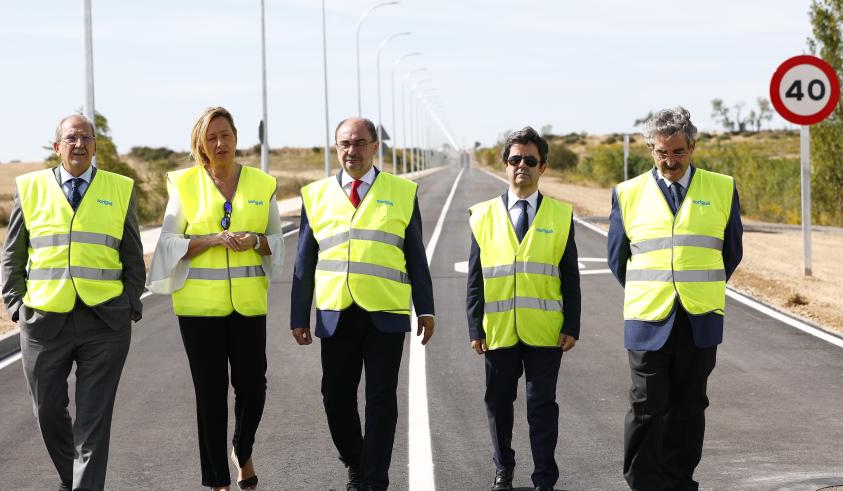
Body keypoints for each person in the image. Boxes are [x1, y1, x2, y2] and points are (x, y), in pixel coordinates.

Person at [0, 114, 145, 491]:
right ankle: (75, 479)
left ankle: (84, 486)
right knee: (48, 411)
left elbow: (133, 256)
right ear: (56, 146)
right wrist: (17, 306)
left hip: (105, 322)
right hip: (43, 321)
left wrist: (130, 302)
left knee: (93, 420)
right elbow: (13, 255)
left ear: (95, 145)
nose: (79, 144)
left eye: (86, 138)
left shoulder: (120, 189)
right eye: (71, 138)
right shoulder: (29, 188)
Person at [290, 117, 435, 491]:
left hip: (385, 314)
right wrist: (298, 315)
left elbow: (415, 256)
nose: (351, 151)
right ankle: (355, 460)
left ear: (375, 147)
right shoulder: (315, 195)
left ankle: (373, 480)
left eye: (358, 143)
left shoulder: (403, 191)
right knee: (335, 396)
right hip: (335, 313)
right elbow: (304, 262)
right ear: (336, 148)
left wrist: (427, 307)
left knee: (381, 398)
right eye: (343, 144)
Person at [147, 106, 283, 491]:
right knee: (209, 393)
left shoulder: (262, 184)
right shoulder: (185, 186)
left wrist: (256, 241)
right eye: (211, 137)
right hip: (198, 310)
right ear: (200, 144)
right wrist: (210, 240)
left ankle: (242, 449)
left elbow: (277, 243)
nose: (220, 143)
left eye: (225, 135)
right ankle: (218, 481)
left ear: (236, 137)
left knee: (253, 387)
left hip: (248, 305)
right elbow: (168, 244)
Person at [608, 107, 743, 490]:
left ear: (693, 147)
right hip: (647, 316)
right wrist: (653, 289)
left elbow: (731, 251)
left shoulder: (722, 188)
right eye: (662, 153)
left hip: (699, 317)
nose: (670, 161)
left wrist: (697, 286)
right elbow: (618, 259)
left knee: (689, 407)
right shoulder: (628, 193)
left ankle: (679, 481)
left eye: (678, 152)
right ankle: (644, 483)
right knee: (645, 406)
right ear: (650, 148)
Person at [466, 126, 581, 491]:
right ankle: (504, 468)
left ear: (543, 167)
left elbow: (570, 277)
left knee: (541, 406)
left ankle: (544, 477)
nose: (522, 166)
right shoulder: (482, 215)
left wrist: (572, 325)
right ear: (505, 164)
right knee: (498, 404)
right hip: (498, 330)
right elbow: (474, 278)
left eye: (530, 160)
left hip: (545, 331)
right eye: (515, 159)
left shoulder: (560, 216)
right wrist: (474, 327)